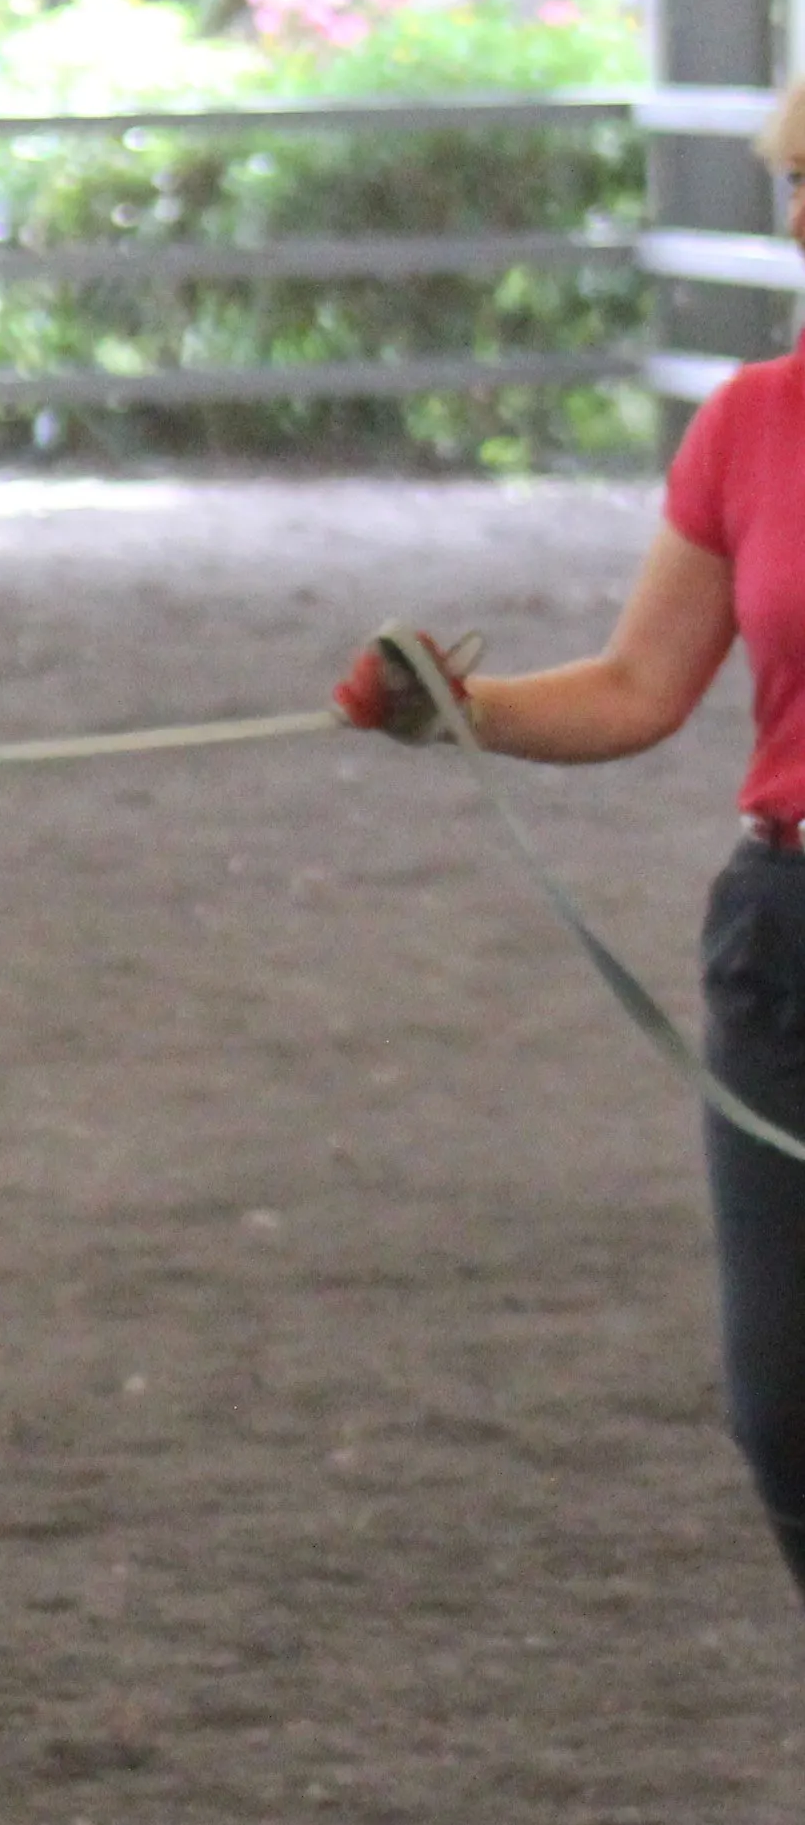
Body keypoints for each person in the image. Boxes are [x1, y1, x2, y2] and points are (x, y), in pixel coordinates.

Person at [334, 78, 805, 1599]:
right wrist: (448, 709)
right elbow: (631, 687)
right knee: (785, 1412)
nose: (804, 220)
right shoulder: (749, 425)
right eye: (797, 186)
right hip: (784, 940)